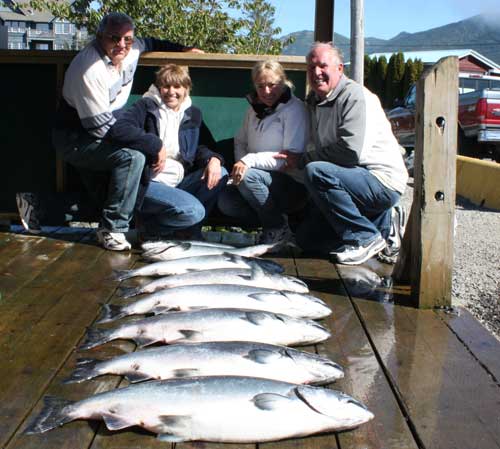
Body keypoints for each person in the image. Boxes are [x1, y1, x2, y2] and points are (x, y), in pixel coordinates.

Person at [17, 12, 203, 251]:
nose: (122, 44)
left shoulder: (132, 48)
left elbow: (153, 43)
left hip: (104, 131)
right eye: (114, 38)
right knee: (132, 158)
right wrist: (154, 145)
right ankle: (112, 229)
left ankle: (37, 204)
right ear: (99, 37)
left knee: (111, 194)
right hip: (76, 137)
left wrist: (184, 49)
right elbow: (101, 128)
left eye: (127, 38)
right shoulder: (89, 68)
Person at [276, 43, 408, 265]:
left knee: (315, 170)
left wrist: (302, 160)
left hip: (380, 181)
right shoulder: (316, 101)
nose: (316, 72)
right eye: (311, 67)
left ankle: (365, 237)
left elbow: (350, 152)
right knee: (307, 240)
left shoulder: (355, 97)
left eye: (322, 66)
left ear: (340, 68)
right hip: (352, 180)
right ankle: (383, 226)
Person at [107, 64, 227, 239]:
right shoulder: (145, 107)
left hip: (179, 181)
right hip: (149, 183)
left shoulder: (193, 114)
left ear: (186, 89)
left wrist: (213, 159)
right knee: (193, 211)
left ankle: (189, 231)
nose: (171, 92)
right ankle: (150, 230)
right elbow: (119, 129)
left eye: (177, 86)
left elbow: (201, 146)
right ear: (158, 87)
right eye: (166, 86)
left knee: (221, 173)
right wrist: (156, 145)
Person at [217, 60, 309, 245]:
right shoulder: (253, 110)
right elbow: (240, 141)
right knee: (225, 202)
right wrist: (240, 165)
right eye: (261, 86)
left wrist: (248, 162)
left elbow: (288, 159)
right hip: (256, 180)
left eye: (272, 85)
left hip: (292, 184)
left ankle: (278, 230)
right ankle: (277, 221)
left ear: (283, 82)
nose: (266, 91)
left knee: (249, 177)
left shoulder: (295, 109)